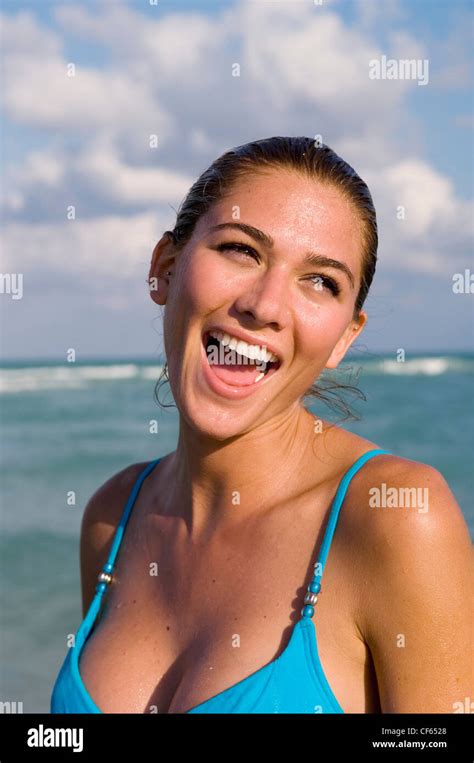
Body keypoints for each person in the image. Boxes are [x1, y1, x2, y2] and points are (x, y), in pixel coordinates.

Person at [51, 137, 472, 714]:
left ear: (344, 337)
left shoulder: (396, 517)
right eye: (240, 250)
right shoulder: (112, 516)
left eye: (321, 281)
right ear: (165, 269)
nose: (266, 304)